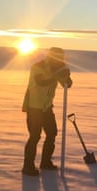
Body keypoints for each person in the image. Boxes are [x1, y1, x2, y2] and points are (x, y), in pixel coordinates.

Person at [22, 47, 72, 176]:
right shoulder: (38, 67)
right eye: (58, 58)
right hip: (34, 107)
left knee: (52, 133)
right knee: (35, 136)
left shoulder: (58, 67)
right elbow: (41, 82)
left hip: (47, 107)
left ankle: (45, 162)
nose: (60, 60)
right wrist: (56, 74)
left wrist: (67, 77)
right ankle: (28, 167)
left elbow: (66, 84)